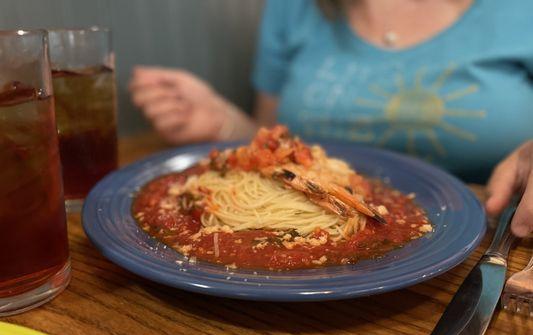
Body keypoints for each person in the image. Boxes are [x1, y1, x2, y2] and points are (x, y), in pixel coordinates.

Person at [129, 0, 532, 237]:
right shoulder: (296, 7)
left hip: (494, 243)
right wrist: (221, 122)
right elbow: (275, 147)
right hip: (296, 281)